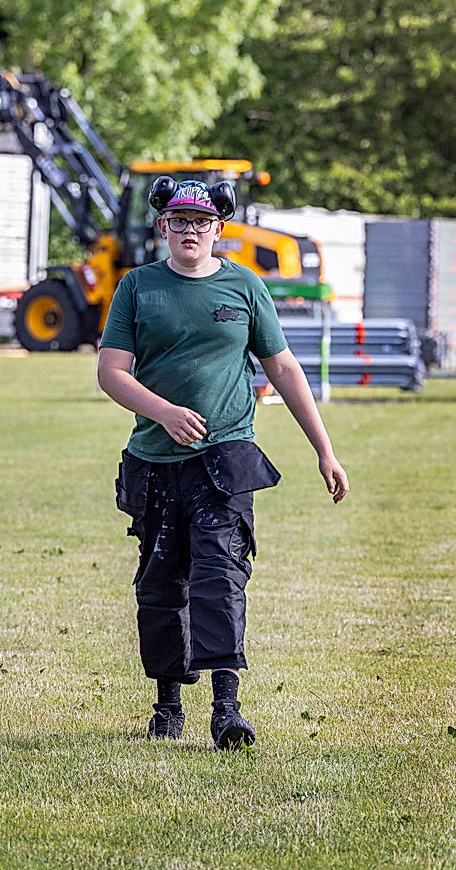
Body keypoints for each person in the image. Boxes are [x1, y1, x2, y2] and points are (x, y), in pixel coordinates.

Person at [97, 177, 349, 750]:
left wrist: (324, 449)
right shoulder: (138, 287)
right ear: (163, 226)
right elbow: (111, 372)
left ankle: (226, 709)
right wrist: (163, 412)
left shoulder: (245, 285)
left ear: (219, 229)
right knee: (162, 582)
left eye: (201, 222)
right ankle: (168, 705)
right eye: (180, 221)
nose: (190, 231)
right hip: (156, 460)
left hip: (226, 456)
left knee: (222, 574)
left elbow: (283, 368)